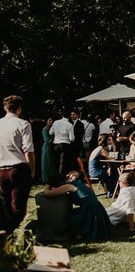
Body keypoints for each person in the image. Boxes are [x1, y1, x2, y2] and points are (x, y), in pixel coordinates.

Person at [0, 95, 35, 232]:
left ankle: (7, 234)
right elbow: (28, 150)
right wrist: (32, 170)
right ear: (19, 109)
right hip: (18, 167)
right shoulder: (23, 124)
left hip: (1, 168)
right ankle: (10, 234)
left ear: (5, 107)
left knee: (5, 206)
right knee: (18, 208)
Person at [43, 171, 111, 241]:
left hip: (89, 208)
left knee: (72, 218)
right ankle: (80, 234)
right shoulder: (77, 183)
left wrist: (48, 186)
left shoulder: (68, 186)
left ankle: (80, 234)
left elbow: (48, 193)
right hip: (95, 206)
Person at [50, 110, 74, 175]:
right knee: (62, 162)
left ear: (62, 115)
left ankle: (55, 175)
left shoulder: (55, 122)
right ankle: (61, 176)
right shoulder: (70, 125)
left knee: (55, 161)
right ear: (69, 116)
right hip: (65, 144)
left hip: (56, 144)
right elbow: (71, 138)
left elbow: (50, 132)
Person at [41, 116, 56, 184]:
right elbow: (46, 139)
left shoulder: (52, 129)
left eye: (52, 120)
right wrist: (54, 139)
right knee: (46, 163)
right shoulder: (45, 129)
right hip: (47, 147)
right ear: (47, 121)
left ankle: (51, 178)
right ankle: (46, 179)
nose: (51, 122)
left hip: (51, 147)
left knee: (51, 163)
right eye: (49, 120)